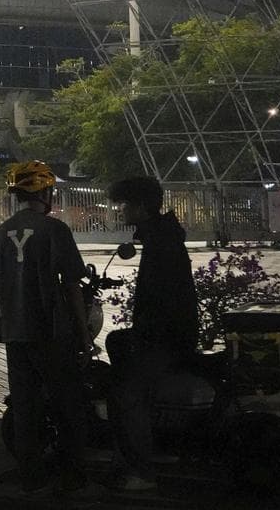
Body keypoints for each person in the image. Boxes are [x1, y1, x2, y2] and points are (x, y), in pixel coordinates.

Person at [0, 160, 92, 495]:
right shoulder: (55, 230)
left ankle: (30, 475)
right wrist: (83, 335)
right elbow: (72, 285)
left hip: (16, 333)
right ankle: (72, 473)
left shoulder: (0, 233)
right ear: (45, 191)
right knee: (68, 404)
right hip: (52, 331)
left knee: (25, 407)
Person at [104, 176, 197, 492]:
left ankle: (142, 471)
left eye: (126, 204)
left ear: (141, 206)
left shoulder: (160, 243)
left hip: (164, 337)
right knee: (117, 345)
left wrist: (143, 335)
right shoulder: (162, 236)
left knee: (129, 397)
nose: (122, 210)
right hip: (168, 332)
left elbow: (161, 298)